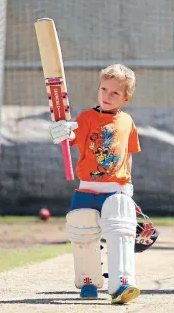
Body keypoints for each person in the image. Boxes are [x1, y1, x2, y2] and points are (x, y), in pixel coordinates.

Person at [49, 64, 141, 303]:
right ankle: (88, 281)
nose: (107, 96)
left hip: (116, 190)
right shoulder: (86, 118)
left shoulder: (128, 122)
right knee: (83, 233)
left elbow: (128, 154)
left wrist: (129, 184)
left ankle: (122, 284)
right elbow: (71, 137)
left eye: (115, 93)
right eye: (104, 89)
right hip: (87, 187)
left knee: (121, 232)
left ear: (126, 97)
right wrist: (62, 131)